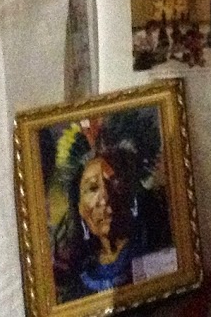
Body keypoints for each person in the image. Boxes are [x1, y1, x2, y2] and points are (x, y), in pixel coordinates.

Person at [49, 115, 174, 303]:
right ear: (80, 208)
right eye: (92, 188)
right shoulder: (76, 283)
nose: (105, 198)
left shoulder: (157, 250)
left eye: (114, 182)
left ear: (131, 192)